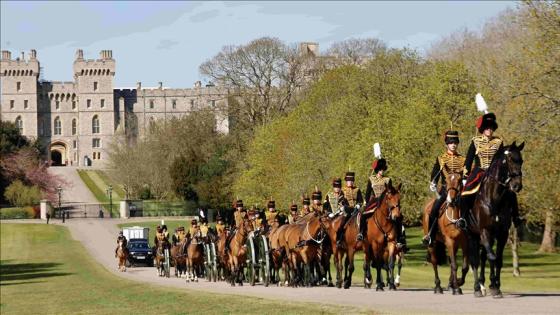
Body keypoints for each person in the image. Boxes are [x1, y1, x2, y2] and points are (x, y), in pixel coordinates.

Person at [462, 112, 523, 226]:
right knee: (465, 192)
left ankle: (515, 217)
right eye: (487, 127)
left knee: (510, 192)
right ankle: (463, 218)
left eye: (491, 127)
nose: (489, 130)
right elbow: (468, 160)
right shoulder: (475, 141)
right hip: (479, 171)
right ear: (483, 129)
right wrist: (465, 176)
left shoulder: (498, 141)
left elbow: (501, 158)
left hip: (495, 172)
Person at [423, 130, 466, 246]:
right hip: (445, 189)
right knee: (434, 210)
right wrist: (433, 182)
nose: (453, 144)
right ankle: (431, 236)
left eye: (455, 142)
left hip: (459, 190)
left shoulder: (462, 159)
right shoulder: (441, 158)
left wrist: (466, 178)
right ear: (447, 144)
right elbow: (435, 172)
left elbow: (466, 173)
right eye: (451, 142)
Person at [336, 172, 363, 247]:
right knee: (342, 224)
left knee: (363, 220)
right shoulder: (343, 190)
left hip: (356, 210)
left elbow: (361, 200)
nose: (350, 182)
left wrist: (358, 204)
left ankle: (361, 234)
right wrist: (342, 206)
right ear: (346, 181)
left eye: (351, 181)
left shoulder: (357, 190)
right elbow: (340, 201)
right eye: (348, 181)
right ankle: (339, 239)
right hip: (346, 210)